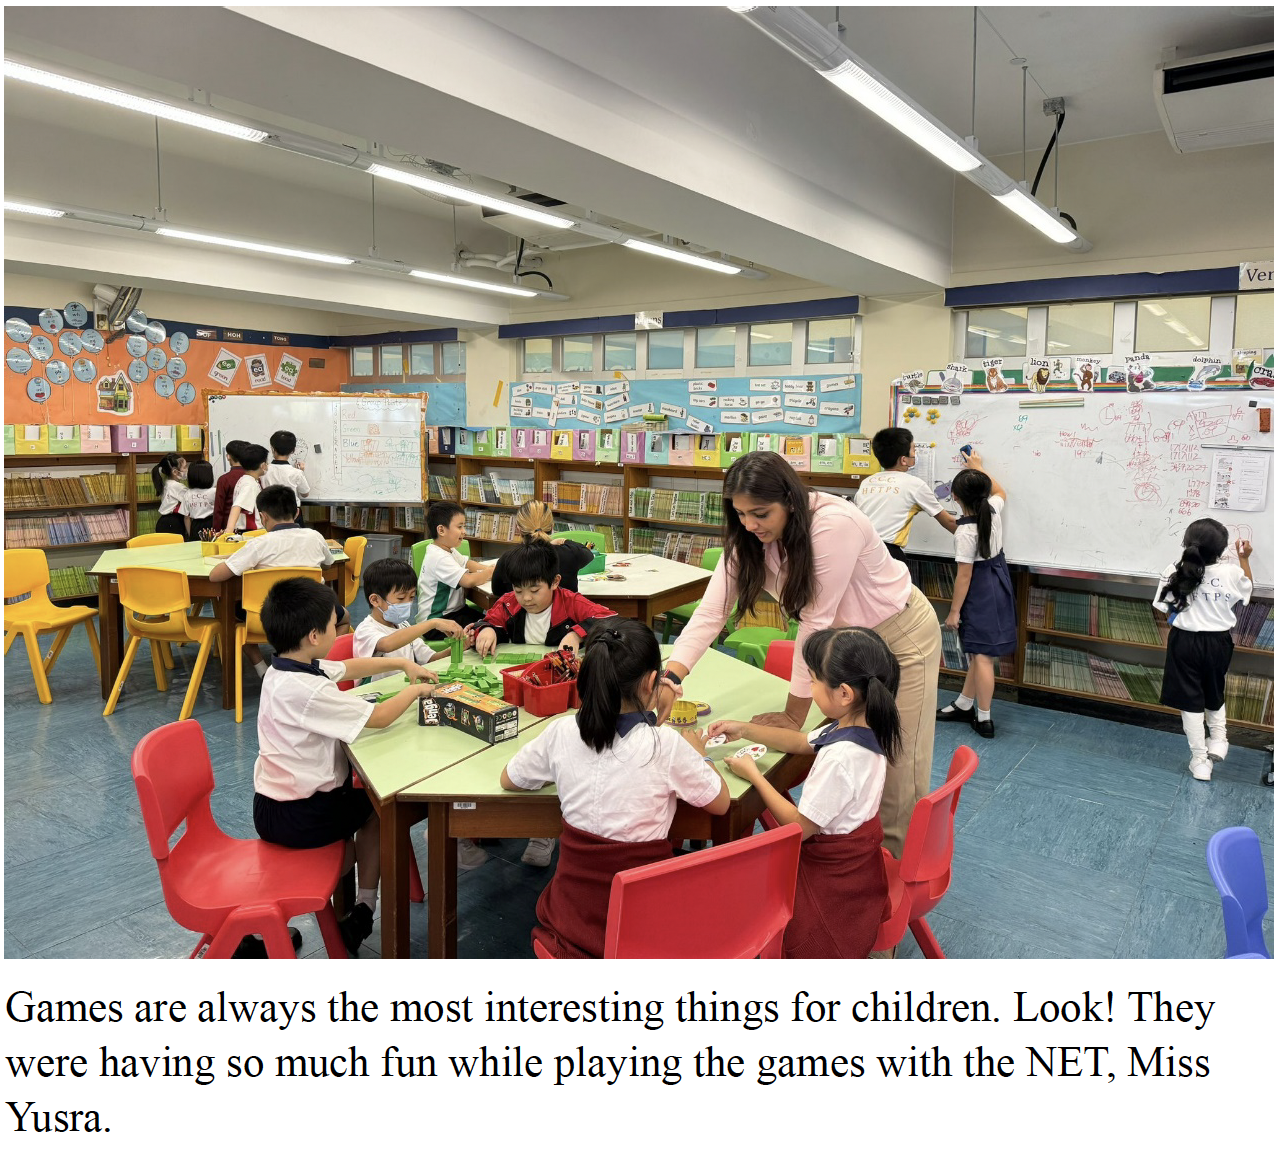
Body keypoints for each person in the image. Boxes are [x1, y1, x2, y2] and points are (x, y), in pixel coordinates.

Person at [662, 450, 941, 859]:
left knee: (896, 763)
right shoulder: (749, 536)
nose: (749, 524)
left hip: (899, 635)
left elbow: (815, 621)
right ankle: (851, 855)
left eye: (761, 513)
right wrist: (671, 677)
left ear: (790, 501)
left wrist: (794, 714)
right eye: (740, 513)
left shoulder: (833, 524)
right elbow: (711, 612)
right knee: (848, 753)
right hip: (843, 647)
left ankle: (893, 872)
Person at [500, 617, 729, 957]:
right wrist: (700, 755)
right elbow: (720, 803)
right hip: (644, 924)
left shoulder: (562, 732)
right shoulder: (664, 743)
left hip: (571, 919)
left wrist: (559, 769)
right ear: (651, 682)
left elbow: (509, 779)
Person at [251, 577, 438, 957]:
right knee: (379, 806)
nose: (340, 632)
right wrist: (415, 689)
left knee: (364, 800)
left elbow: (347, 666)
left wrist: (402, 663)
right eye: (334, 626)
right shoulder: (307, 691)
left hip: (271, 803)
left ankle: (348, 905)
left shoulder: (285, 668)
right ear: (314, 635)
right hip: (300, 814)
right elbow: (380, 717)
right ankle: (365, 907)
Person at [709, 627, 899, 958]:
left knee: (741, 891)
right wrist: (744, 729)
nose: (809, 689)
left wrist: (754, 774)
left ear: (844, 693)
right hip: (858, 867)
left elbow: (799, 827)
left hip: (831, 882)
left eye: (813, 680)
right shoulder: (862, 724)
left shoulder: (839, 759)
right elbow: (800, 741)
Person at [208, 484, 350, 678]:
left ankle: (262, 669)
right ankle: (322, 665)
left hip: (267, 617)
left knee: (231, 617)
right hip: (312, 612)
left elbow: (215, 576)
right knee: (345, 618)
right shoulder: (315, 537)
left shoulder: (258, 544)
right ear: (297, 512)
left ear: (263, 516)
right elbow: (328, 564)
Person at [1153, 519, 1253, 781]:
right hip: (1218, 642)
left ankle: (1200, 762)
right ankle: (1219, 740)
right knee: (1214, 688)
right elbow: (1247, 591)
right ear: (1221, 550)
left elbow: (1165, 609)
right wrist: (1244, 559)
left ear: (1186, 543)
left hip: (1184, 642)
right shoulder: (1231, 572)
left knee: (1190, 702)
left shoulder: (1174, 571)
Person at [936, 453, 1014, 739]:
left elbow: (965, 576)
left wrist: (954, 612)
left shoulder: (964, 532)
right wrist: (979, 468)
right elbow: (1001, 491)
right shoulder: (992, 509)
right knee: (979, 649)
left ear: (955, 497)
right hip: (999, 581)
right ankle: (964, 703)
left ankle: (984, 718)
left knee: (981, 656)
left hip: (980, 589)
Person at [473, 540, 615, 659]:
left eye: (535, 590)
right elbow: (485, 623)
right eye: (518, 590)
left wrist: (576, 635)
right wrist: (487, 629)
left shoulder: (571, 603)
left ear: (555, 582)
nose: (526, 598)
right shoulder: (508, 603)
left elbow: (611, 620)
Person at [855, 427, 956, 562]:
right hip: (886, 553)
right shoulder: (915, 484)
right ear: (903, 460)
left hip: (858, 550)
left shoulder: (867, 482)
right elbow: (948, 521)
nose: (915, 454)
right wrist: (976, 539)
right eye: (914, 450)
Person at [416, 501, 493, 636]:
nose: (464, 531)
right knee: (489, 628)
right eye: (460, 526)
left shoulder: (447, 549)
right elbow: (468, 581)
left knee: (491, 622)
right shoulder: (439, 557)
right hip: (437, 622)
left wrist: (487, 567)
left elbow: (467, 563)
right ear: (441, 530)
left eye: (464, 526)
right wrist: (490, 572)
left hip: (455, 612)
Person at [491, 499, 594, 596]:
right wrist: (564, 541)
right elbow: (588, 553)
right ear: (552, 526)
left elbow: (497, 591)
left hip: (523, 609)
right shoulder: (569, 553)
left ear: (518, 529)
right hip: (564, 609)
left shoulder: (508, 558)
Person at [221, 443, 269, 534]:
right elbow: (237, 506)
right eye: (266, 463)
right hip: (250, 533)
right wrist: (229, 531)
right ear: (262, 465)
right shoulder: (249, 484)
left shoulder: (246, 480)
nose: (267, 465)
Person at [264, 430, 310, 517]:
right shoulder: (297, 473)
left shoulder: (264, 470)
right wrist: (301, 472)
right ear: (293, 450)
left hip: (269, 514)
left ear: (272, 448)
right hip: (291, 514)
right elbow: (305, 494)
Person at [212, 439, 249, 535]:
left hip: (228, 528)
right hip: (250, 527)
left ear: (228, 456)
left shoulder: (224, 479)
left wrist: (216, 531)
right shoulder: (253, 477)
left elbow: (219, 509)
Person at [151, 452, 188, 537]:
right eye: (185, 467)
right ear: (175, 472)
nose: (187, 469)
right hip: (173, 523)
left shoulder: (167, 483)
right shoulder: (177, 486)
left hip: (164, 522)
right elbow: (192, 499)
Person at [179, 460, 216, 541]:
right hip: (212, 524)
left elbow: (186, 517)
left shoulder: (188, 493)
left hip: (196, 526)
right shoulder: (214, 492)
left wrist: (190, 534)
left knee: (196, 546)